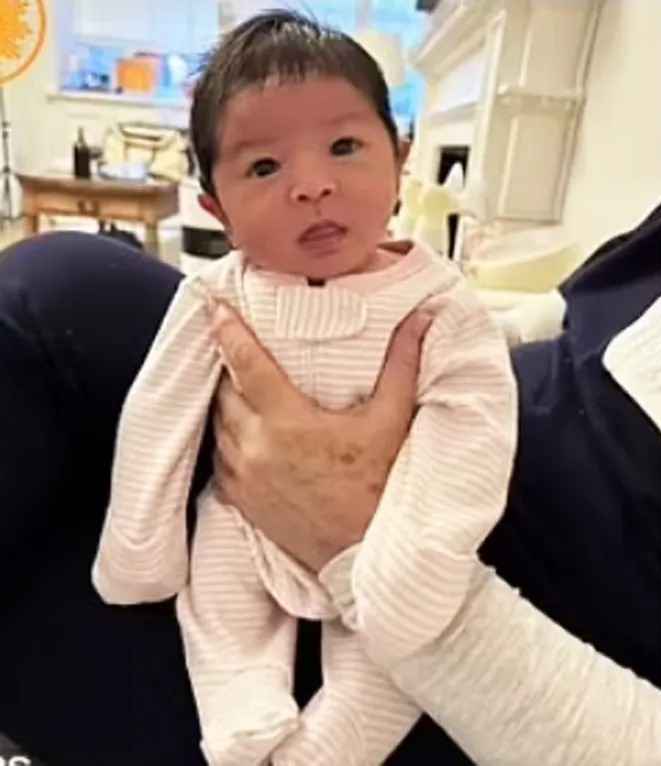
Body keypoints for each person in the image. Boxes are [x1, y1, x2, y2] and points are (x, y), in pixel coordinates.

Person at [91, 12, 516, 766]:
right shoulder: (217, 295)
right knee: (216, 607)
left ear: (400, 160)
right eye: (264, 167)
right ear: (216, 210)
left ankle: (328, 751)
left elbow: (473, 427)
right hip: (246, 526)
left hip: (386, 538)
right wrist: (139, 550)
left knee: (399, 656)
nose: (313, 185)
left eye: (345, 147)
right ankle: (242, 721)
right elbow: (158, 414)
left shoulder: (437, 301)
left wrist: (418, 561)